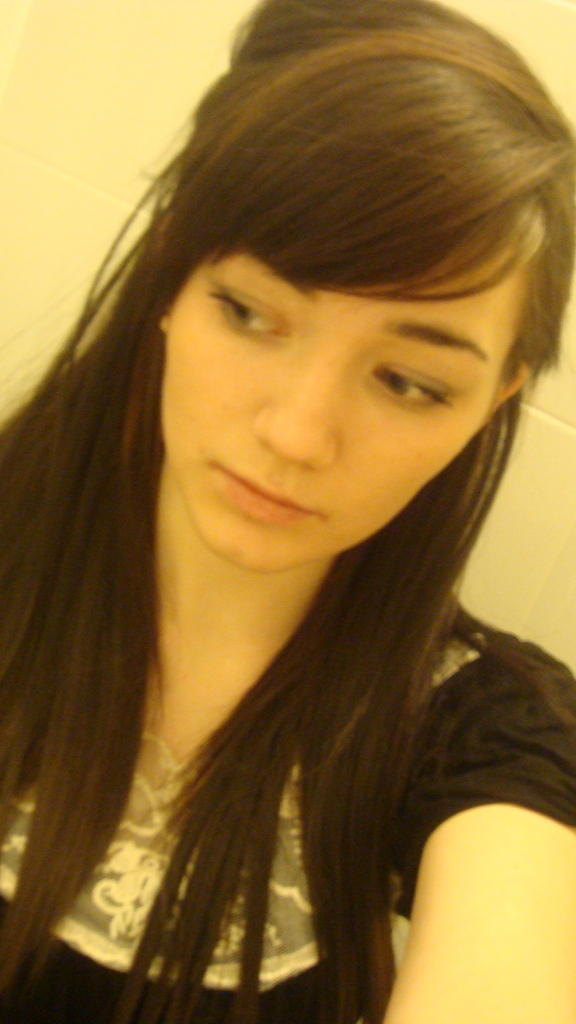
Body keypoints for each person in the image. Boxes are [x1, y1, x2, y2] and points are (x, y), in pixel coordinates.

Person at [1, 0, 576, 1021]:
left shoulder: (489, 732)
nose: (299, 434)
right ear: (170, 276)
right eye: (250, 314)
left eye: (408, 382)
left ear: (494, 400)